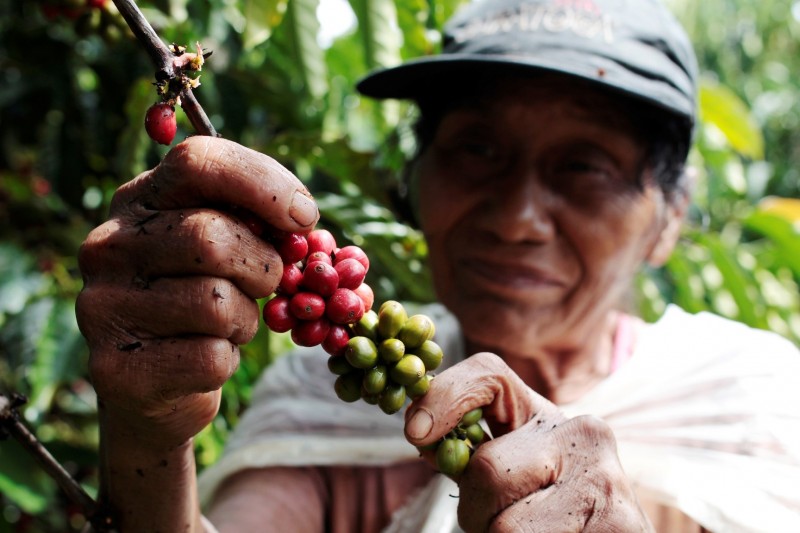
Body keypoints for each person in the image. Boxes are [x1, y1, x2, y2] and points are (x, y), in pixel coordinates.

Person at [75, 0, 800, 531]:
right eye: (476, 149)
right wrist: (149, 433)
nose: (516, 217)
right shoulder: (324, 396)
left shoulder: (759, 411)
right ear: (415, 177)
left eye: (585, 166)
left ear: (669, 216)